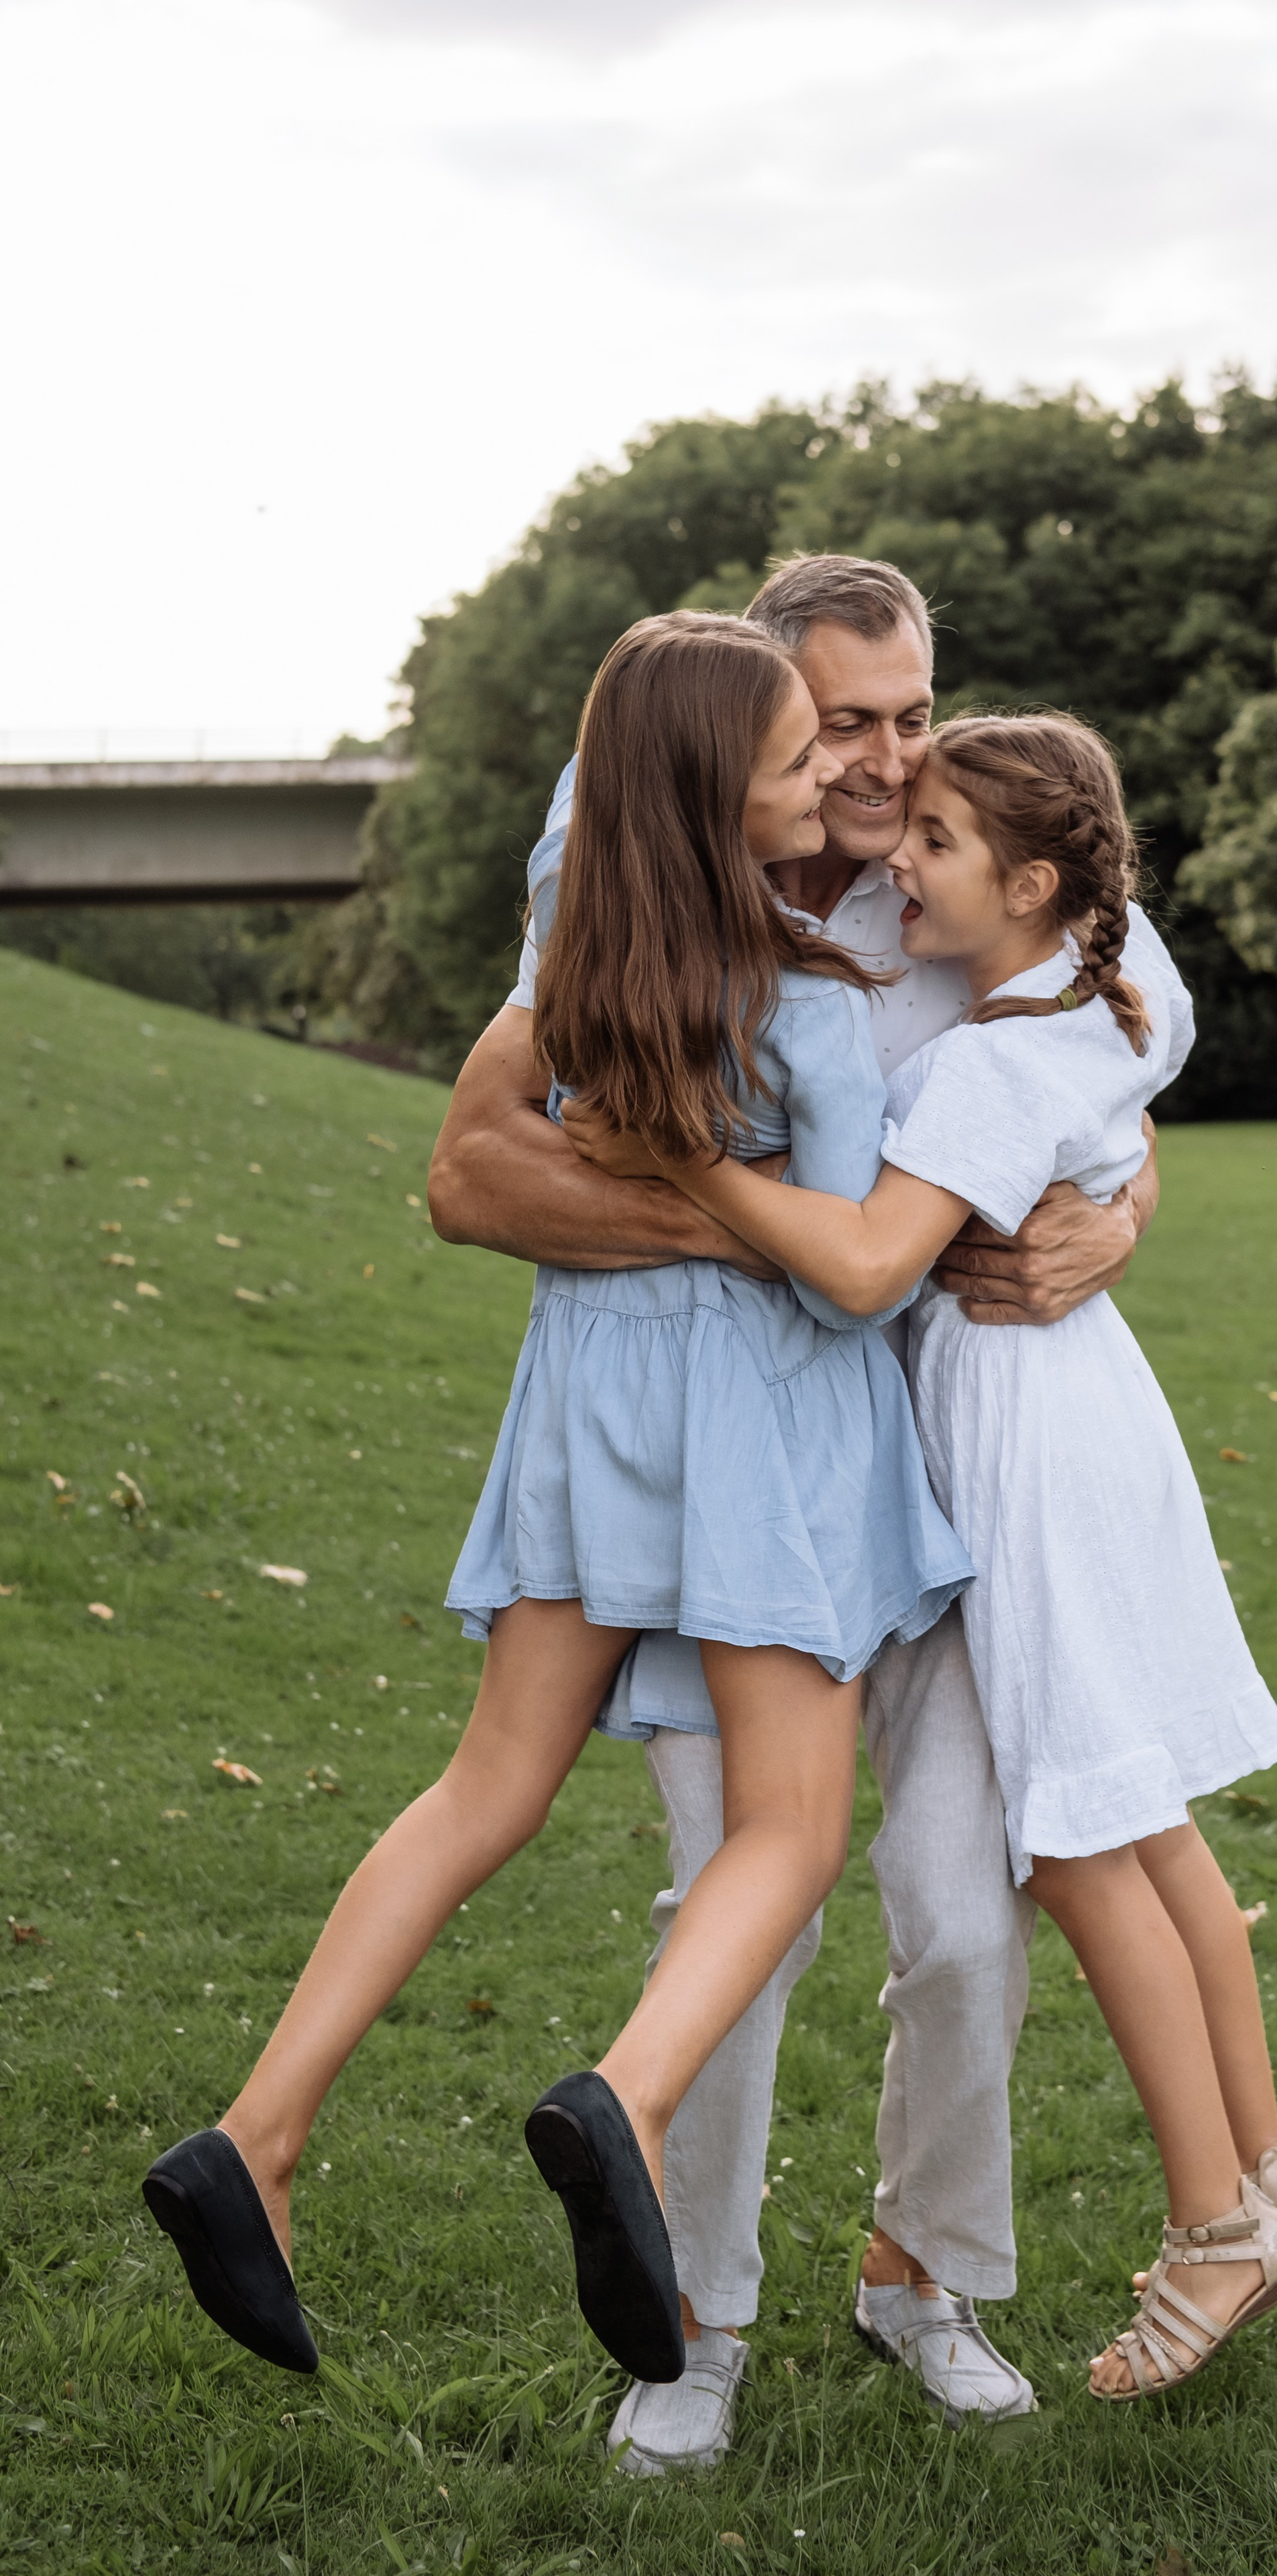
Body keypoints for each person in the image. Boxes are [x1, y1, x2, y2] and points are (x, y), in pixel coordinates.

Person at [140, 612, 971, 2390]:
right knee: (793, 1827)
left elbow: (489, 1144)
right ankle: (632, 2098)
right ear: (715, 795)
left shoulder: (576, 991)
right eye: (791, 758)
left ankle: (257, 2135)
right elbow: (851, 1274)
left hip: (588, 1393)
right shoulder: (817, 1007)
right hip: (762, 1426)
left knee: (484, 1786)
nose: (828, 774)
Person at [429, 555, 1184, 2472]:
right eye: (847, 721)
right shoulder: (628, 836)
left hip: (941, 1462)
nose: (885, 756)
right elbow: (484, 1172)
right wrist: (783, 1244)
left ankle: (922, 2272)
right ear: (763, 713)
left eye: (910, 712)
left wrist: (1127, 1198)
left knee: (955, 1914)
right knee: (737, 1911)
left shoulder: (966, 852)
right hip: (739, 1477)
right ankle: (694, 2328)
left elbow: (1120, 1022)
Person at [567, 711, 1277, 2404]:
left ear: (1032, 880)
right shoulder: (1096, 979)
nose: (894, 819)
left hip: (1007, 1431)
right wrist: (1109, 1172)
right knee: (1137, 1813)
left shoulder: (1000, 1040)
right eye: (857, 744)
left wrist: (689, 1153)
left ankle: (1212, 2226)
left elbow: (864, 1265)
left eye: (929, 814)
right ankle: (1264, 2183)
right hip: (1053, 1415)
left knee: (1067, 1832)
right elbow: (1132, 1038)